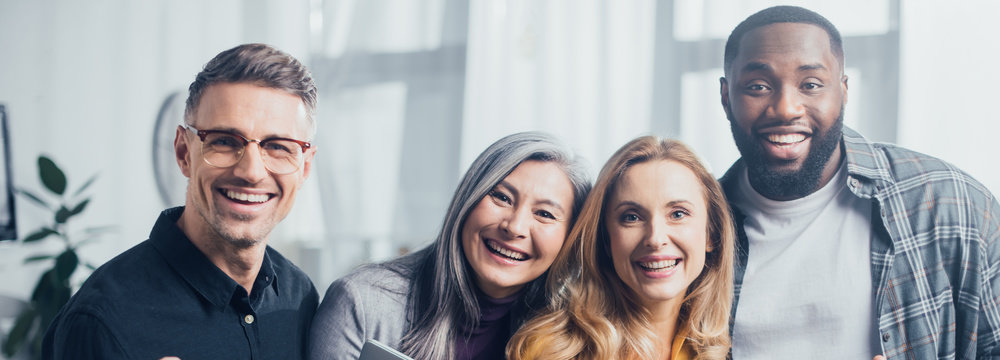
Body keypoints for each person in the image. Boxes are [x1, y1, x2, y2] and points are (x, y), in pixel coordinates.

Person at [718, 6, 1000, 359]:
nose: (786, 108)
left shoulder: (952, 204)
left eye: (811, 85)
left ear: (844, 90)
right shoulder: (692, 232)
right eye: (758, 86)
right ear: (727, 97)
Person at [42, 43, 320, 359]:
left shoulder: (301, 298)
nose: (251, 172)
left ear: (305, 166)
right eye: (225, 142)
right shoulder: (103, 321)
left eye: (278, 146)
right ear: (183, 152)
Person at [307, 132, 591, 360]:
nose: (514, 227)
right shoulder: (362, 303)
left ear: (570, 238)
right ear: (468, 198)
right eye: (502, 197)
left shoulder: (571, 334)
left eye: (544, 214)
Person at [507, 136, 734, 359]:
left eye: (678, 214)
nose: (655, 238)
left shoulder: (714, 349)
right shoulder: (550, 351)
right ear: (606, 239)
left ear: (711, 235)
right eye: (632, 217)